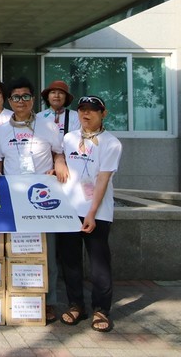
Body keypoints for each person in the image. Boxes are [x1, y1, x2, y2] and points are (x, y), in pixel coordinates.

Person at [0, 77, 68, 324]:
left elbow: (59, 153)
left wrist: (59, 164)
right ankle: (20, 298)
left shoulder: (48, 126)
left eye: (25, 96)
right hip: (13, 198)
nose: (21, 101)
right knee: (17, 250)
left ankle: (49, 301)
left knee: (47, 251)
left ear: (33, 99)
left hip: (43, 198)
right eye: (16, 97)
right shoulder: (0, 131)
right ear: (9, 101)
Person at [58, 95, 122, 333]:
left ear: (103, 113)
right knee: (70, 261)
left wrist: (92, 213)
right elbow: (60, 155)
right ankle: (76, 305)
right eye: (82, 110)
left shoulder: (111, 143)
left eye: (92, 110)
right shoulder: (69, 138)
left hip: (97, 212)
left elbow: (103, 179)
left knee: (99, 263)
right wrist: (59, 163)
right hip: (69, 209)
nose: (86, 114)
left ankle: (101, 309)